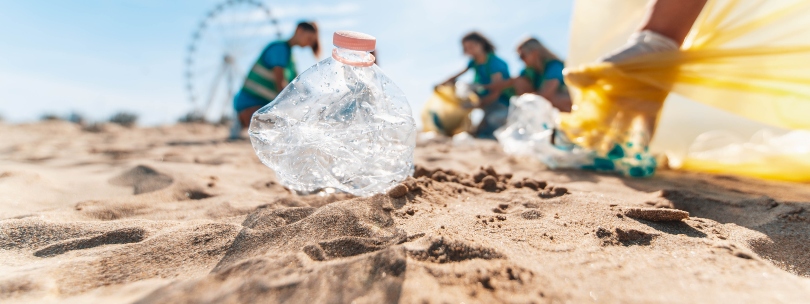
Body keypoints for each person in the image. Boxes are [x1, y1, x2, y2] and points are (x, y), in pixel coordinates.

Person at [233, 21, 320, 128]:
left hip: (263, 107)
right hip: (249, 106)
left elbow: (297, 87)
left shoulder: (290, 59)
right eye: (309, 39)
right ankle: (239, 122)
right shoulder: (280, 49)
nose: (309, 44)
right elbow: (281, 87)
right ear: (299, 30)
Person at [443, 32, 512, 139]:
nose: (469, 50)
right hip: (484, 100)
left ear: (481, 44)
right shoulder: (473, 62)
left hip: (501, 103)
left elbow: (496, 91)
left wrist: (477, 104)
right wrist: (443, 84)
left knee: (490, 128)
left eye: (472, 46)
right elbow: (456, 75)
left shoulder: (495, 62)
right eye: (466, 48)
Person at [487, 37, 572, 112]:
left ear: (535, 53)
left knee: (552, 98)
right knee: (518, 81)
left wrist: (527, 103)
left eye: (522, 56)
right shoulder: (530, 71)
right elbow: (509, 82)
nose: (521, 60)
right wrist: (485, 87)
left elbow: (547, 94)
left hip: (567, 101)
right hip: (544, 102)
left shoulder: (554, 66)